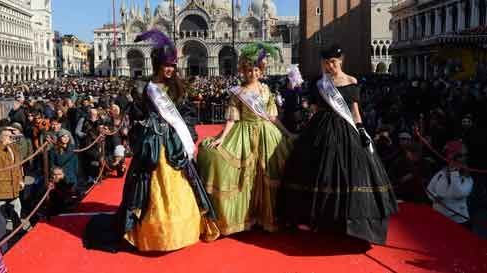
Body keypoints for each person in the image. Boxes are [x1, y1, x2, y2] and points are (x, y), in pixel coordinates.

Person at [83, 29, 218, 253]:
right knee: (148, 188)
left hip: (174, 145)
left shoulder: (178, 87)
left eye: (173, 65)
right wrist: (138, 127)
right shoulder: (144, 89)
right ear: (157, 64)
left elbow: (188, 115)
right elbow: (137, 115)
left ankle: (183, 229)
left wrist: (189, 135)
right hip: (152, 145)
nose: (171, 69)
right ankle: (151, 232)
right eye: (167, 64)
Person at [279, 44, 398, 245]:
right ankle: (321, 221)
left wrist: (361, 129)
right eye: (326, 63)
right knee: (317, 171)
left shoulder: (352, 81)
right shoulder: (319, 83)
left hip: (346, 128)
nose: (329, 66)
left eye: (333, 62)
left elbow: (354, 110)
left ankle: (351, 225)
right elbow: (315, 110)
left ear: (340, 61)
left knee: (352, 172)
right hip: (322, 128)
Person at [197, 43, 294, 235]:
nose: (252, 73)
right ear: (243, 70)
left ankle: (267, 216)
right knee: (232, 167)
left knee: (266, 172)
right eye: (249, 70)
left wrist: (287, 133)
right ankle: (245, 216)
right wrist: (222, 138)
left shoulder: (266, 90)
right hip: (243, 133)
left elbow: (272, 116)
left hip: (267, 132)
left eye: (256, 69)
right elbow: (233, 118)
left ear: (261, 70)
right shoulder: (238, 92)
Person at [427, 141, 473, 227]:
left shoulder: (467, 178)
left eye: (465, 155)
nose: (463, 158)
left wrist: (454, 172)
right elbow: (429, 189)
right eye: (459, 156)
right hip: (439, 219)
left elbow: (458, 194)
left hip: (459, 221)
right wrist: (434, 197)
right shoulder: (440, 174)